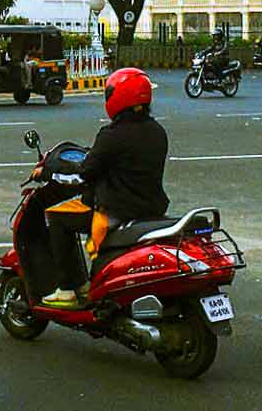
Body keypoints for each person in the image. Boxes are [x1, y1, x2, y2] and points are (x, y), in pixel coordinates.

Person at [42, 67, 169, 308]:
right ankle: (88, 281)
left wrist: (48, 171)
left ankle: (68, 288)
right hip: (151, 208)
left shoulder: (112, 135)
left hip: (116, 210)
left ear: (118, 97)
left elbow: (84, 173)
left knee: (56, 218)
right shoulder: (157, 131)